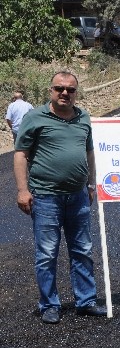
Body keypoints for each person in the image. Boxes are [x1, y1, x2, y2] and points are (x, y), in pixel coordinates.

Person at [13, 71, 107, 324]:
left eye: (70, 90)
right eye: (59, 88)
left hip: (77, 196)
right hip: (45, 197)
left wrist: (90, 184)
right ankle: (49, 304)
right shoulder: (34, 117)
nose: (64, 93)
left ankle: (86, 301)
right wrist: (23, 190)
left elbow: (89, 153)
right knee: (46, 253)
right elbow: (21, 154)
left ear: (77, 92)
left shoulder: (84, 117)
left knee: (83, 250)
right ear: (50, 91)